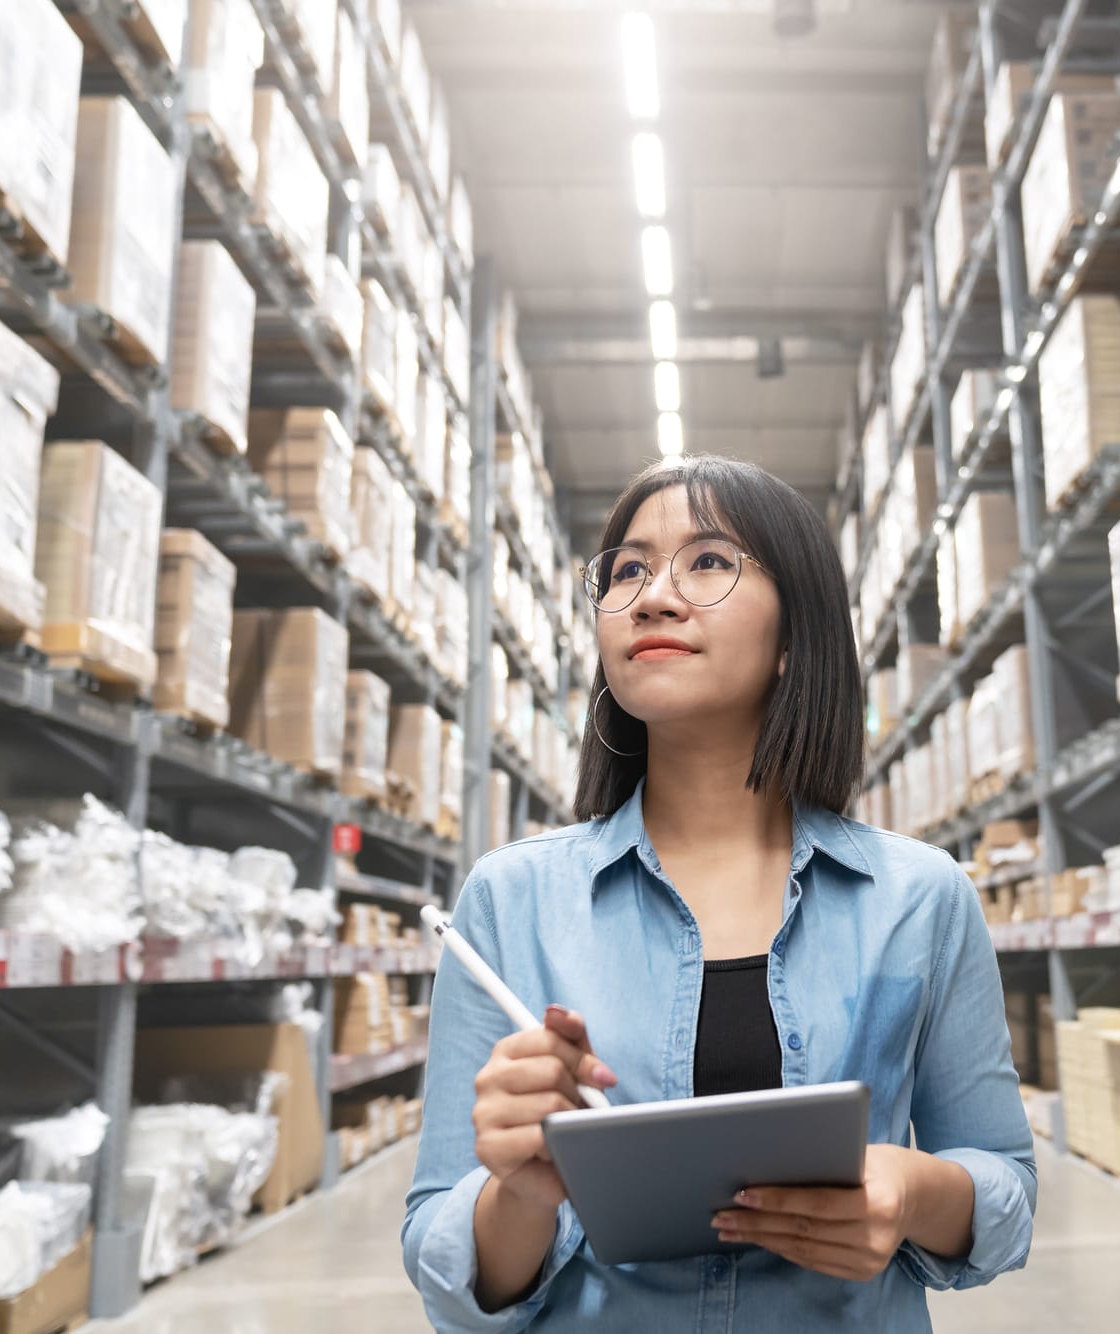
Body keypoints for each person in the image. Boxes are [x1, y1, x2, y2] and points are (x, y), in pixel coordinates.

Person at [402, 455, 1036, 1330]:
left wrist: (914, 1190)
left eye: (708, 561)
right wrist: (522, 1192)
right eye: (627, 570)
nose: (654, 596)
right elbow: (444, 1254)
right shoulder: (510, 900)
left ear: (792, 638)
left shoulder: (919, 898)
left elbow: (1004, 1185)